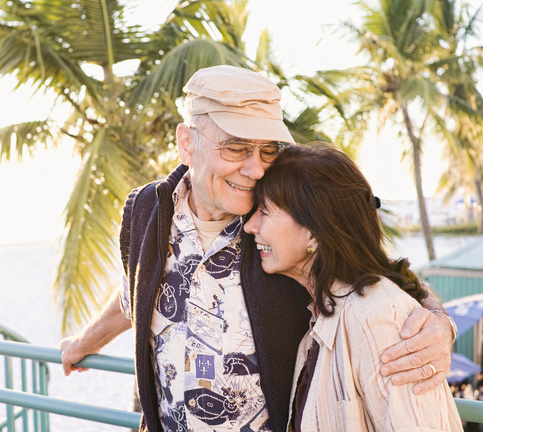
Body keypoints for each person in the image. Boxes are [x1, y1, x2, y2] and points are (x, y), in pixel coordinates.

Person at [59, 65, 456, 432]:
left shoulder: (278, 222)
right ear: (186, 143)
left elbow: (372, 273)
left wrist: (438, 323)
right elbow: (136, 289)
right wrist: (83, 343)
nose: (255, 169)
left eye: (267, 150)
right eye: (236, 148)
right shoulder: (148, 210)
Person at [244, 142, 463, 431]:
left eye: (264, 211)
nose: (250, 226)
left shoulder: (375, 316)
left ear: (313, 229)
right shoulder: (327, 312)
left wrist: (441, 321)